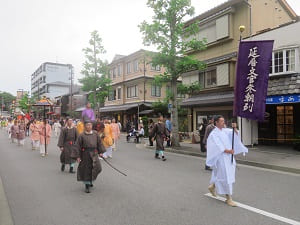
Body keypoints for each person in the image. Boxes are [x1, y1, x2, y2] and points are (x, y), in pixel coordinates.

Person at [206, 115, 248, 207]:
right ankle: (228, 198)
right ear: (216, 122)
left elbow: (235, 134)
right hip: (221, 158)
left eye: (223, 121)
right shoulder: (214, 134)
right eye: (221, 121)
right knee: (226, 177)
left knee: (225, 174)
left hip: (229, 157)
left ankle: (212, 186)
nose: (223, 122)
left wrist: (234, 127)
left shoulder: (224, 131)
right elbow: (218, 146)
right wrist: (228, 151)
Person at [75, 120, 105, 193]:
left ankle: (91, 180)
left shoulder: (95, 134)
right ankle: (87, 185)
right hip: (85, 154)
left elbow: (99, 143)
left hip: (94, 153)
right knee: (87, 170)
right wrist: (78, 156)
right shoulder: (81, 135)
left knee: (97, 168)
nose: (89, 126)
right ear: (85, 126)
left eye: (90, 125)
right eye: (87, 125)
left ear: (92, 126)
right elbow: (77, 146)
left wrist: (100, 152)